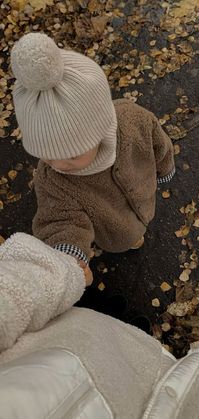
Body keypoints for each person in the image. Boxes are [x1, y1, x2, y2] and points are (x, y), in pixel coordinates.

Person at [0, 233, 199, 419]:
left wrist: (69, 269)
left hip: (75, 330)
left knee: (98, 314)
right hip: (135, 365)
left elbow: (13, 293)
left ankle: (102, 309)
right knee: (124, 337)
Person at [10, 33, 175, 280]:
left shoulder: (134, 121)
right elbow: (61, 222)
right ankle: (131, 239)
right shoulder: (53, 181)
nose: (59, 165)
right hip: (114, 230)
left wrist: (164, 169)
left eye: (72, 155)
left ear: (100, 129)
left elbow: (159, 145)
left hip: (144, 194)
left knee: (140, 227)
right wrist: (69, 257)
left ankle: (137, 234)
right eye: (46, 155)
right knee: (128, 237)